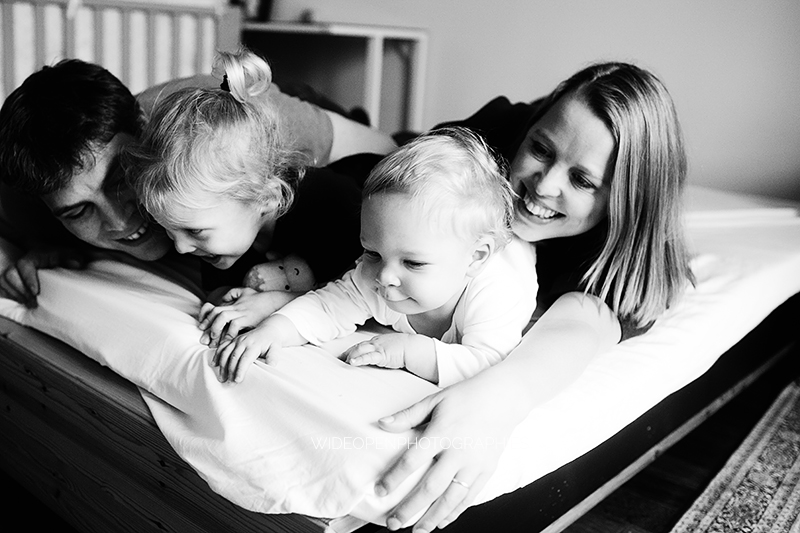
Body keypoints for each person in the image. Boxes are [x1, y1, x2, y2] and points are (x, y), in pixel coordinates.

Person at [367, 61, 694, 532]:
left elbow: (577, 327)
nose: (544, 185)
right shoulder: (491, 141)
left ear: (626, 199)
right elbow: (390, 201)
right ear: (531, 129)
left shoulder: (611, 256)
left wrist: (500, 397)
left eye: (582, 181)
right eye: (541, 149)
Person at [0, 55, 396, 306]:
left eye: (122, 178)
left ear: (143, 131)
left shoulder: (230, 128)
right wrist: (20, 251)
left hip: (318, 129)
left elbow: (386, 150)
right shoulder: (31, 191)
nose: (119, 222)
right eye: (79, 212)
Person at [205, 127, 538, 385]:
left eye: (413, 263)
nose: (384, 276)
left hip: (521, 253)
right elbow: (327, 306)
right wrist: (272, 331)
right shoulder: (378, 272)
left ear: (475, 259)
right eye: (372, 252)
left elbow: (491, 363)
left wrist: (413, 352)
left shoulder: (495, 292)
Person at [127, 48, 370, 323]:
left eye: (193, 230)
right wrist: (229, 301)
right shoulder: (223, 233)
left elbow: (363, 292)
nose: (181, 248)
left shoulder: (336, 209)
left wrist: (279, 303)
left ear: (265, 198)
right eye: (169, 232)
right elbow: (221, 288)